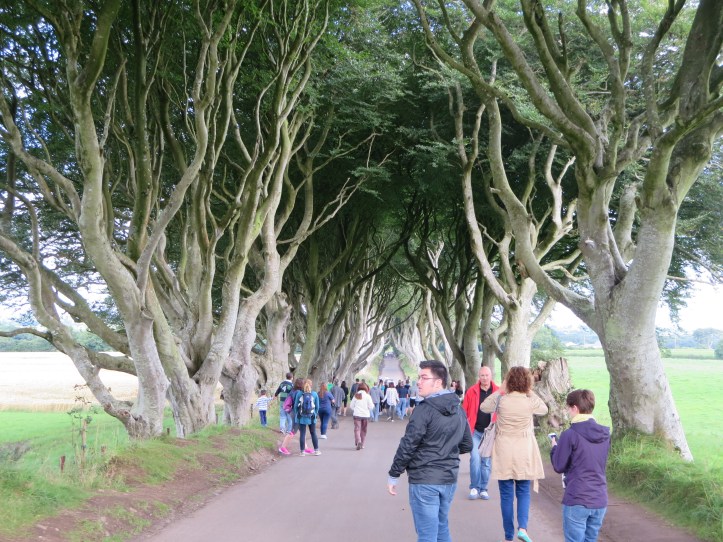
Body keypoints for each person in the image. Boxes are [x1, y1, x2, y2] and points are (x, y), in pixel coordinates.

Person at [387, 360, 473, 542]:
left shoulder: (423, 410)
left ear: (438, 382)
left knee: (427, 535)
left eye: (424, 377)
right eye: (419, 377)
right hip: (449, 478)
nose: (419, 381)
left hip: (424, 480)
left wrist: (394, 474)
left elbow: (408, 445)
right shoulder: (458, 409)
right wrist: (445, 452)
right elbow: (467, 445)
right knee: (441, 528)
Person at [481, 366, 548, 542]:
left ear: (508, 381)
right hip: (524, 451)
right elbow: (544, 409)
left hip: (503, 451)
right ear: (527, 382)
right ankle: (523, 529)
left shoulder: (501, 401)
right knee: (524, 491)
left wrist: (500, 390)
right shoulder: (529, 401)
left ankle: (508, 535)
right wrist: (530, 392)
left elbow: (484, 407)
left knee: (506, 494)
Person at [550, 389, 610, 542]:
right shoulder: (604, 434)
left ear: (575, 408)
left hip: (577, 497)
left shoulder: (570, 434)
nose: (568, 412)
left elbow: (558, 465)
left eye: (569, 409)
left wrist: (555, 448)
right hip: (599, 499)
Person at [461, 366, 499, 500]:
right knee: (475, 459)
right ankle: (474, 487)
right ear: (479, 376)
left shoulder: (498, 392)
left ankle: (483, 488)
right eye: (482, 375)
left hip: (489, 433)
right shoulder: (471, 391)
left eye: (486, 375)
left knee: (486, 462)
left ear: (491, 376)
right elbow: (463, 411)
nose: (484, 378)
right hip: (475, 431)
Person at [278, 378, 304, 456]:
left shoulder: (292, 391)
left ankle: (305, 448)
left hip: (292, 412)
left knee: (302, 430)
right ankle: (282, 447)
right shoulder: (298, 392)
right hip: (296, 413)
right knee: (293, 431)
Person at [295, 379, 321, 456]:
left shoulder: (299, 394)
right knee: (313, 433)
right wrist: (315, 414)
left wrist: (298, 413)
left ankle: (302, 452)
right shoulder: (314, 394)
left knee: (302, 434)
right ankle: (317, 450)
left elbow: (296, 406)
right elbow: (317, 407)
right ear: (311, 385)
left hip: (301, 417)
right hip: (312, 417)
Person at [350, 382, 375, 449]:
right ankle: (362, 444)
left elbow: (351, 406)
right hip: (365, 415)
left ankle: (358, 441)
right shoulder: (367, 396)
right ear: (366, 388)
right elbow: (371, 407)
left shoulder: (356, 395)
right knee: (364, 430)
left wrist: (355, 409)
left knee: (357, 429)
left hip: (357, 415)